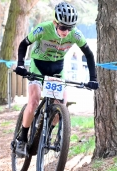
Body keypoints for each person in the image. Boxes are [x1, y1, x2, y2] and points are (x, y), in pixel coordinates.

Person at [14, 2, 98, 157]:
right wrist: (20, 65)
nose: (66, 32)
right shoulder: (43, 28)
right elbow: (23, 44)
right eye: (62, 28)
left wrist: (93, 78)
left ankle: (45, 135)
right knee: (34, 100)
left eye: (69, 28)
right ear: (55, 23)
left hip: (57, 69)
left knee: (61, 106)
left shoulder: (76, 34)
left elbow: (89, 55)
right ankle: (22, 138)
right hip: (38, 65)